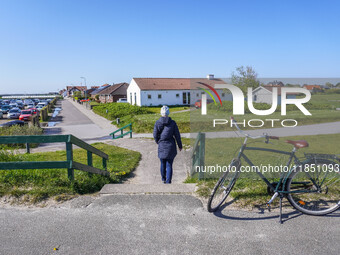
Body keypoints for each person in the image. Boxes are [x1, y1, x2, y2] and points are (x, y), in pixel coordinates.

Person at [153, 105, 182, 184]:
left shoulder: (157, 123)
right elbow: (177, 135)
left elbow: (155, 135)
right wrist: (180, 145)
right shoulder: (172, 123)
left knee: (162, 163)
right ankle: (169, 182)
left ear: (161, 113)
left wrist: (158, 141)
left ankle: (163, 179)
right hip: (171, 146)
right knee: (169, 164)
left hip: (162, 144)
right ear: (168, 112)